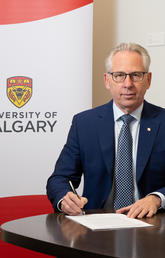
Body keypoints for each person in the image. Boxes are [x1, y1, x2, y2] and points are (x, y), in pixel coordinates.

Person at [47, 42, 165, 218]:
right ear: (107, 80)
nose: (128, 84)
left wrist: (157, 198)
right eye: (119, 75)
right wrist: (65, 198)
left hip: (152, 225)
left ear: (148, 80)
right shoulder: (84, 123)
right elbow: (59, 179)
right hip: (96, 225)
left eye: (136, 75)